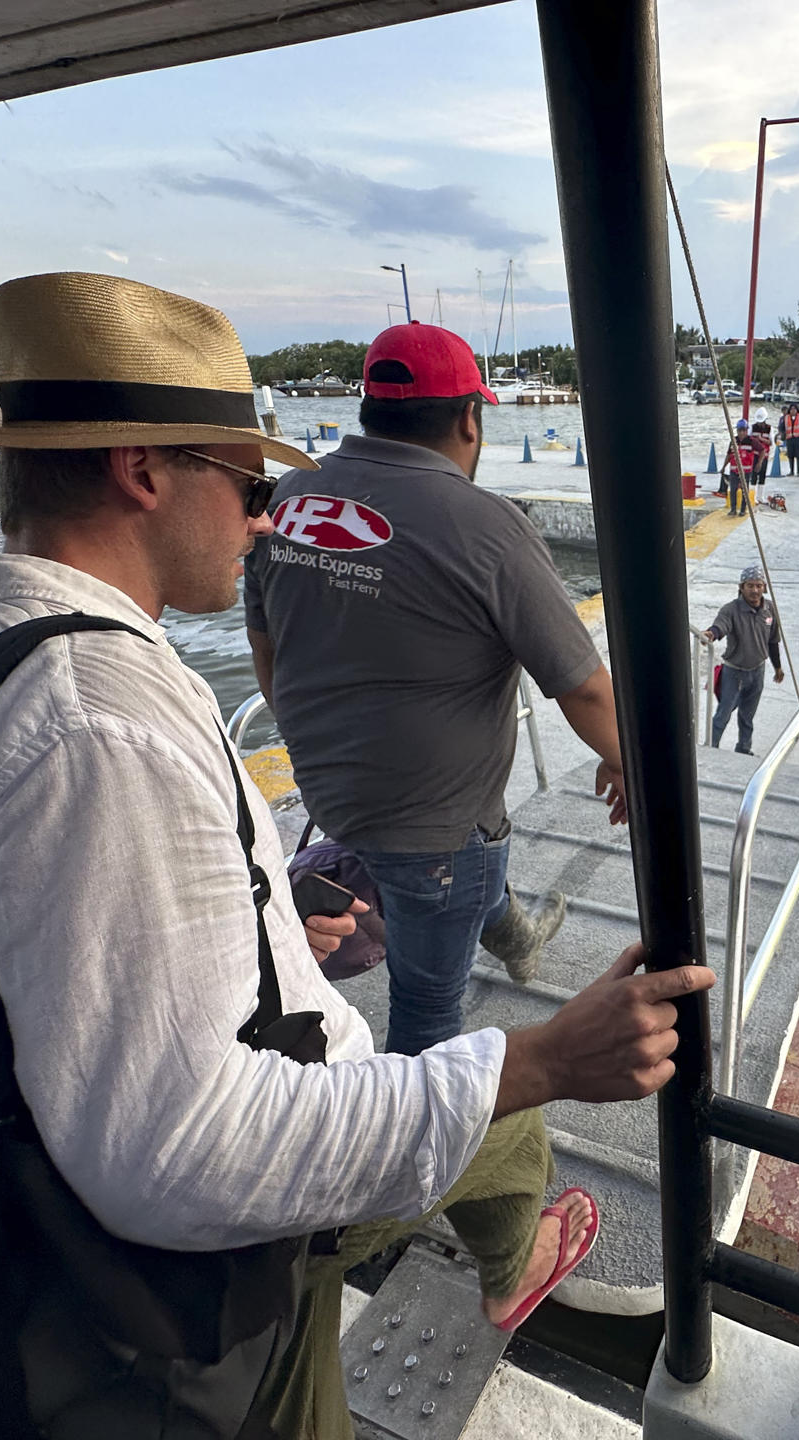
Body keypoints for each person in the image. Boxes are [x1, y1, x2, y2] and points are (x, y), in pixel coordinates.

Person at [0, 273, 713, 1433]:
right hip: (194, 1296)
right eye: (248, 481)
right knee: (491, 1099)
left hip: (3, 1161)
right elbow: (176, 1156)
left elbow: (43, 933)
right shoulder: (100, 725)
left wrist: (256, 897)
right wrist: (534, 1064)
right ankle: (494, 1264)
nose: (265, 515)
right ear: (143, 470)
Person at [248, 322, 628, 1054]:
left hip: (333, 798)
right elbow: (582, 689)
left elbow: (268, 657)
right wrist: (624, 761)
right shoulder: (489, 525)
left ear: (368, 407)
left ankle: (518, 938)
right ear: (468, 418)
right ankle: (412, 1162)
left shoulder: (289, 497)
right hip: (439, 832)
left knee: (473, 878)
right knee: (427, 1013)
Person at [704, 564, 785, 752]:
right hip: (734, 672)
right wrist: (711, 634)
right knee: (723, 714)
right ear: (741, 587)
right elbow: (721, 626)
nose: (755, 590)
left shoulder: (769, 609)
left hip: (758, 670)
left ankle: (743, 748)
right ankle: (711, 748)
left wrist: (778, 667)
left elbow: (773, 640)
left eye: (758, 585)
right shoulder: (730, 610)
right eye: (750, 585)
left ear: (764, 587)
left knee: (747, 716)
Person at [723, 421, 755, 515]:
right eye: (740, 430)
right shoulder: (733, 441)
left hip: (746, 471)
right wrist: (723, 467)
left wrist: (758, 464)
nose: (741, 433)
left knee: (745, 490)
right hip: (734, 470)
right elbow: (729, 455)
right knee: (733, 490)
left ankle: (743, 510)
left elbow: (761, 450)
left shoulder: (751, 441)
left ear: (746, 431)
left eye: (743, 430)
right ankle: (733, 509)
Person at [781, 403, 799, 477]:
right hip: (789, 438)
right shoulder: (786, 418)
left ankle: (798, 471)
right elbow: (782, 427)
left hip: (797, 438)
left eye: (794, 409)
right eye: (791, 409)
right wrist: (783, 434)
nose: (793, 410)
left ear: (797, 410)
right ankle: (791, 471)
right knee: (790, 455)